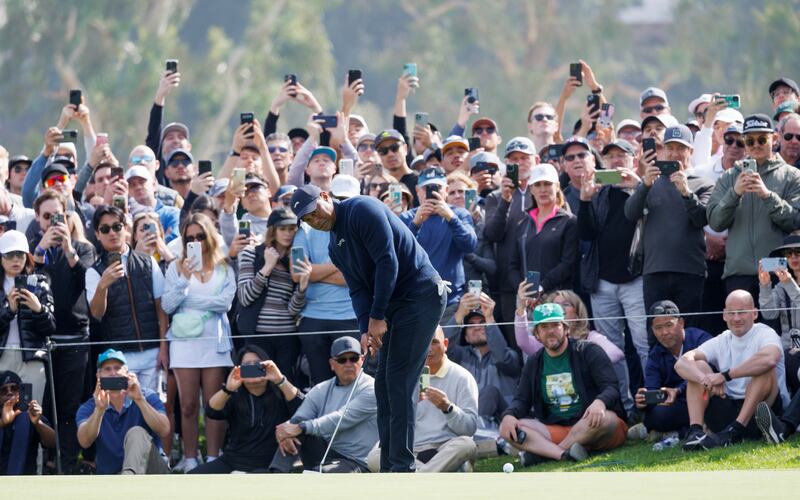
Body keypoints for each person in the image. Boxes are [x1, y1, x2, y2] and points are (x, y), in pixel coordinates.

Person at [290, 184, 447, 472]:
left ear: (326, 196)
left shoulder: (363, 209)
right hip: (394, 305)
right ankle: (390, 465)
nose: (315, 220)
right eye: (308, 219)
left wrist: (376, 317)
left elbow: (388, 262)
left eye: (315, 212)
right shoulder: (334, 245)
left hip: (422, 295)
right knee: (383, 384)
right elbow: (358, 288)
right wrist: (365, 328)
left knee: (399, 382)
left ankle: (401, 468)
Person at [499, 303, 626, 465]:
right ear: (537, 334)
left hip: (591, 424)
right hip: (558, 428)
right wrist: (509, 415)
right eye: (544, 327)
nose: (550, 331)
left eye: (555, 325)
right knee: (510, 428)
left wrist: (600, 402)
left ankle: (546, 453)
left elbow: (611, 386)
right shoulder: (534, 362)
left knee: (605, 418)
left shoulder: (588, 351)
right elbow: (521, 400)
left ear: (566, 328)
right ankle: (563, 454)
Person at [160, 213, 237, 472]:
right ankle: (191, 458)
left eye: (200, 236)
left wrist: (189, 301)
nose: (195, 241)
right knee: (189, 405)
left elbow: (225, 304)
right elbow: (168, 305)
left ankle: (214, 457)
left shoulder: (224, 266)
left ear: (210, 236)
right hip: (183, 343)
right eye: (189, 238)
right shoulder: (175, 267)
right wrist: (184, 279)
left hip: (213, 343)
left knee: (214, 403)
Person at [30, 189, 96, 473]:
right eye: (47, 217)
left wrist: (69, 250)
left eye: (58, 215)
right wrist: (41, 250)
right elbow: (29, 280)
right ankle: (45, 461)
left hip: (74, 340)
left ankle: (67, 465)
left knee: (68, 408)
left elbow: (88, 281)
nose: (53, 222)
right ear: (37, 218)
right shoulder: (33, 247)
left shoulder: (83, 248)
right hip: (42, 339)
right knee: (41, 407)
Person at [676, 290, 790, 450]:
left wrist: (725, 376)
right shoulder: (722, 339)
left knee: (764, 369)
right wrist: (706, 379)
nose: (736, 318)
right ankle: (695, 431)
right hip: (728, 409)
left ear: (754, 313)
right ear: (724, 315)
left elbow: (770, 358)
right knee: (698, 366)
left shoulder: (766, 333)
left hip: (763, 410)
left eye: (742, 312)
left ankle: (737, 430)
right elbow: (681, 363)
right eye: (731, 313)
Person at [625, 125, 713, 327]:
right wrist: (644, 184)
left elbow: (702, 219)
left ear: (690, 152)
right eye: (670, 147)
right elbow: (630, 213)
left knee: (688, 331)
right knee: (656, 332)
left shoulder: (702, 183)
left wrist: (686, 193)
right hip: (655, 270)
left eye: (681, 148)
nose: (675, 153)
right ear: (662, 150)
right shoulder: (651, 182)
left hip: (690, 270)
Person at [707, 114, 800, 301]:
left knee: (776, 328)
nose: (756, 145)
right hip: (738, 272)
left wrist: (767, 195)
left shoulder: (792, 176)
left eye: (761, 139)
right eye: (749, 140)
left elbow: (795, 220)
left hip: (777, 270)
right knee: (740, 329)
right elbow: (715, 222)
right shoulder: (730, 177)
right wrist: (735, 193)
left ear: (774, 138)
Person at [578, 139, 649, 372]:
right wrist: (585, 200)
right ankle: (620, 403)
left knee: (643, 343)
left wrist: (638, 187)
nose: (617, 161)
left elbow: (654, 216)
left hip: (635, 278)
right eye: (611, 157)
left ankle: (653, 400)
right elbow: (586, 233)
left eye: (622, 155)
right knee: (610, 350)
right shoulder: (600, 192)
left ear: (634, 160)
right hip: (603, 281)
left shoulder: (644, 187)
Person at [86, 205, 169, 392]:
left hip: (152, 351)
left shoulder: (148, 262)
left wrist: (164, 348)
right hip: (119, 357)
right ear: (97, 235)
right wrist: (103, 286)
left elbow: (161, 308)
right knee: (123, 411)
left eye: (117, 226)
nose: (112, 233)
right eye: (105, 229)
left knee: (154, 409)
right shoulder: (94, 271)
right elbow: (97, 313)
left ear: (126, 228)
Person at [190, 345, 302, 474]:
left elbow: (304, 406)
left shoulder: (281, 391)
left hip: (271, 463)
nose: (253, 367)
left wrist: (280, 379)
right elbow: (212, 412)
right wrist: (228, 388)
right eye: (247, 365)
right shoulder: (234, 394)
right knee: (192, 476)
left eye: (258, 364)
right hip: (234, 460)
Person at [514, 287, 630, 412]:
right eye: (555, 305)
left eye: (566, 304)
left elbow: (616, 353)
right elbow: (523, 341)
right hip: (556, 413)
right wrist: (521, 308)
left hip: (590, 408)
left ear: (577, 313)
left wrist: (585, 359)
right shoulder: (549, 341)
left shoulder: (590, 337)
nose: (561, 308)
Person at [275, 337, 378, 473]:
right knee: (294, 432)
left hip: (356, 461)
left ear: (362, 361)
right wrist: (284, 431)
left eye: (353, 358)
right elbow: (299, 418)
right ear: (332, 364)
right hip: (324, 451)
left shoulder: (371, 388)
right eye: (342, 360)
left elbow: (341, 418)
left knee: (302, 430)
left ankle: (311, 472)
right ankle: (276, 473)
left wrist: (300, 427)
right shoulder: (321, 388)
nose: (348, 364)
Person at [236, 207, 311, 383]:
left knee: (284, 385)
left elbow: (293, 310)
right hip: (257, 335)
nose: (288, 234)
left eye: (292, 229)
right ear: (273, 231)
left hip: (287, 336)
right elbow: (244, 297)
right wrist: (266, 268)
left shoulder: (295, 260)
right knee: (256, 383)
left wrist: (302, 287)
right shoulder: (252, 253)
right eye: (283, 229)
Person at [399, 167, 477, 323]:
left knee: (448, 346)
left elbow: (470, 245)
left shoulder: (459, 214)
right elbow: (399, 254)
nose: (432, 193)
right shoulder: (407, 217)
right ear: (418, 191)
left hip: (451, 300)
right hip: (416, 301)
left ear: (446, 190)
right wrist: (416, 224)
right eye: (427, 188)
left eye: (437, 188)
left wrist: (450, 217)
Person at [627, 301, 712, 441]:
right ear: (652, 330)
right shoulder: (655, 355)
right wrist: (644, 401)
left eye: (669, 325)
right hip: (678, 404)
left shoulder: (700, 339)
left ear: (681, 323)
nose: (664, 332)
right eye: (658, 328)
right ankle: (686, 430)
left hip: (706, 396)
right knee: (656, 416)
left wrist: (677, 390)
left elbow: (712, 371)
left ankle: (676, 432)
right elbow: (652, 389)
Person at [76, 349, 170, 474]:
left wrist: (140, 400)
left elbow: (164, 430)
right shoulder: (90, 407)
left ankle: (127, 480)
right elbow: (84, 441)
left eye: (117, 368)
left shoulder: (146, 396)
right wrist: (99, 410)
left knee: (136, 433)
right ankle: (126, 480)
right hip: (113, 477)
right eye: (107, 369)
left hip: (152, 473)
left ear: (127, 373)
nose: (113, 373)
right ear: (98, 376)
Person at [483, 137, 538, 343]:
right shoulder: (496, 197)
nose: (519, 163)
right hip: (508, 284)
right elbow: (492, 234)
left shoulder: (544, 190)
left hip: (543, 279)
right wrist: (506, 200)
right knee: (516, 343)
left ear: (536, 159)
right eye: (513, 159)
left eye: (524, 158)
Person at [0, 230, 55, 404]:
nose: (15, 259)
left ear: (27, 256)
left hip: (32, 357)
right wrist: (9, 310)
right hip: (2, 355)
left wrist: (38, 309)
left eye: (20, 254)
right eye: (9, 255)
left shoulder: (40, 283)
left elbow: (51, 327)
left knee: (30, 411)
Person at [447, 293, 520, 423]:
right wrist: (459, 314)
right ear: (466, 337)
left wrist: (489, 317)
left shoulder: (509, 355)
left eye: (482, 322)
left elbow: (501, 356)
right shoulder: (460, 356)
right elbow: (444, 346)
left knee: (489, 392)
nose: (477, 327)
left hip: (505, 420)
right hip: (468, 421)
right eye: (471, 325)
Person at [508, 163, 578, 295]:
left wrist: (542, 287)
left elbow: (568, 264)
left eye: (547, 184)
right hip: (527, 297)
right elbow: (513, 265)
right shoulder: (522, 223)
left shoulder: (569, 221)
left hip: (558, 297)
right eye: (537, 185)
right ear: (531, 189)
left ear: (557, 186)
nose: (542, 189)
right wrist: (522, 290)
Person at [0, 370, 56, 475]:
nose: (9, 392)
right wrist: (2, 422)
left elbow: (53, 442)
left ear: (21, 392)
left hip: (24, 482)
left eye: (14, 388)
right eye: (3, 390)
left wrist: (37, 423)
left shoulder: (32, 414)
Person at [759, 235, 800, 352]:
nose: (793, 257)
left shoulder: (786, 283)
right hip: (787, 349)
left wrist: (789, 284)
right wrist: (765, 286)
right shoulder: (781, 285)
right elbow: (770, 314)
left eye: (798, 252)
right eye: (788, 253)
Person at [124, 166, 180, 243]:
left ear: (154, 185)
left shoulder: (172, 213)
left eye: (142, 182)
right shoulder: (127, 218)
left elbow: (174, 240)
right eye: (132, 185)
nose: (138, 187)